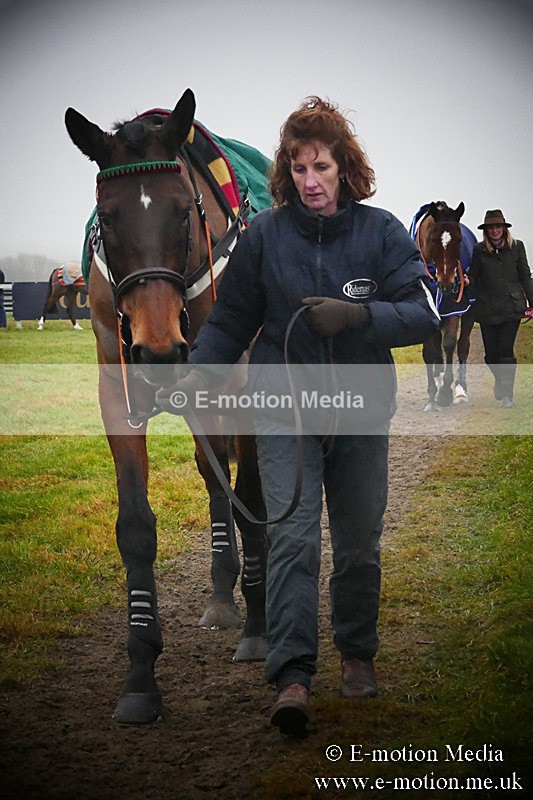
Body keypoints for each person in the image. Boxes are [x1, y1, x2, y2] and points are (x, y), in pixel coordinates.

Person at [156, 97, 439, 735]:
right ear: (287, 170)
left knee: (360, 544)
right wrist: (196, 370)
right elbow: (230, 321)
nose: (311, 180)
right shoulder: (264, 238)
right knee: (291, 541)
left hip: (361, 411)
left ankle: (358, 655)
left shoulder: (382, 231)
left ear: (345, 169)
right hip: (283, 412)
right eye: (300, 167)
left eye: (323, 167)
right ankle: (292, 675)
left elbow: (423, 308)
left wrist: (360, 318)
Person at [469, 210, 533, 409]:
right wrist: (465, 280)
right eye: (491, 228)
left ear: (504, 229)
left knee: (506, 351)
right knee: (491, 356)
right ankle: (500, 380)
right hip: (487, 308)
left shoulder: (517, 247)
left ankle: (508, 394)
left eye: (498, 227)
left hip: (511, 308)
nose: (495, 231)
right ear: (486, 231)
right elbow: (474, 276)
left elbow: (525, 276)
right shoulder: (479, 250)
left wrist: (532, 303)